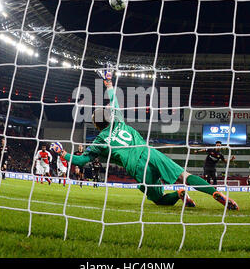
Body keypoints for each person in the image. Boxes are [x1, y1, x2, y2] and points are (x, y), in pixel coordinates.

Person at [50, 71, 239, 210]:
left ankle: (178, 194)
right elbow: (114, 100)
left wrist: (63, 153)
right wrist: (108, 83)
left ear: (97, 125)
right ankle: (213, 192)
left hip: (137, 167)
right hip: (149, 152)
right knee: (185, 176)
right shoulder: (119, 122)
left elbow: (82, 161)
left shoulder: (100, 140)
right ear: (109, 117)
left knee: (157, 199)